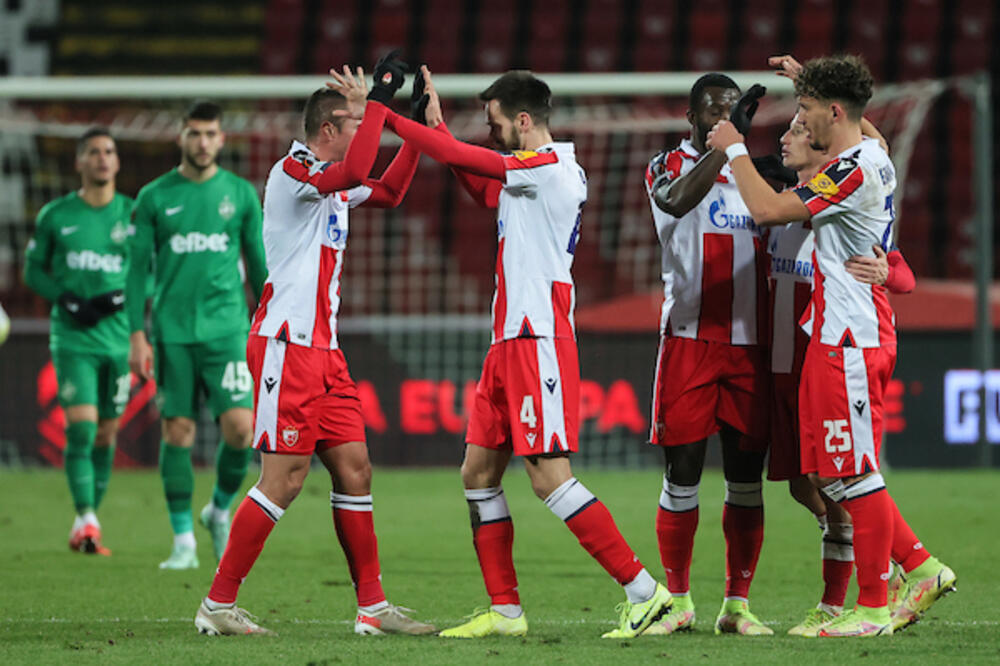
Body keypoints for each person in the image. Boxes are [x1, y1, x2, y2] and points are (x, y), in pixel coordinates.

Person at [373, 68, 672, 639]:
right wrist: (433, 125)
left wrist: (387, 115)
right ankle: (505, 611)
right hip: (506, 340)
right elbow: (484, 186)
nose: (492, 134)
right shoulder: (524, 176)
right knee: (478, 471)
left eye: (496, 124)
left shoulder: (551, 168)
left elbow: (482, 167)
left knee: (549, 479)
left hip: (538, 338)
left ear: (525, 121)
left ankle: (646, 593)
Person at [706, 54, 956, 637]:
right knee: (835, 474)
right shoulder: (872, 155)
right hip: (838, 330)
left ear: (834, 112)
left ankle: (873, 606)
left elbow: (767, 209)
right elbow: (867, 130)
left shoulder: (850, 171)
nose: (800, 119)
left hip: (849, 334)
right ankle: (919, 568)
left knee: (850, 471)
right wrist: (809, 84)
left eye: (807, 109)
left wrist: (734, 148)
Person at [194, 56, 434, 637]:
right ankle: (216, 606)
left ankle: (373, 609)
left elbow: (393, 189)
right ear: (329, 129)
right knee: (284, 479)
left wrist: (418, 129)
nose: (367, 135)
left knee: (355, 470)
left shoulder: (334, 185)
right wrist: (379, 102)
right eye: (358, 125)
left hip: (324, 351)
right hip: (286, 344)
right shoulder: (293, 173)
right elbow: (353, 171)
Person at [762, 116, 918, 636]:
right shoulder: (805, 204)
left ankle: (883, 586)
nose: (786, 137)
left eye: (799, 126)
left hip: (845, 344)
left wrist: (887, 273)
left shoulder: (844, 192)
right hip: (800, 359)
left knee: (847, 476)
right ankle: (901, 573)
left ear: (822, 138)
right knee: (820, 478)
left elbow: (901, 272)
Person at [642, 74, 772, 636]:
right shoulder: (664, 166)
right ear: (691, 116)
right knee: (684, 473)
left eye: (732, 108)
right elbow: (674, 203)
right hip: (690, 339)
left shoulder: (756, 172)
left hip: (750, 344)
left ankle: (737, 605)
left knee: (746, 479)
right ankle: (676, 599)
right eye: (714, 109)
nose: (724, 115)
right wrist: (725, 149)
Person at [127, 101, 268, 569]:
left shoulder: (241, 195)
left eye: (211, 134)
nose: (203, 142)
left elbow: (261, 267)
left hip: (227, 329)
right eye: (195, 134)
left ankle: (218, 508)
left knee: (242, 429)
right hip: (172, 332)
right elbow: (135, 272)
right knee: (178, 430)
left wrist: (271, 320)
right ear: (181, 138)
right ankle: (183, 539)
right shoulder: (153, 197)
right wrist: (136, 335)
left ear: (222, 140)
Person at [24, 127, 133, 555]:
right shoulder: (55, 215)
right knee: (83, 428)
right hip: (73, 340)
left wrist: (121, 295)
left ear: (117, 161)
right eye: (93, 152)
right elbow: (33, 272)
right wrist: (64, 299)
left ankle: (84, 521)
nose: (102, 158)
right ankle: (87, 517)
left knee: (107, 434)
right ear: (79, 162)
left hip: (119, 340)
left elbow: (153, 270)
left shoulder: (133, 214)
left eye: (109, 151)